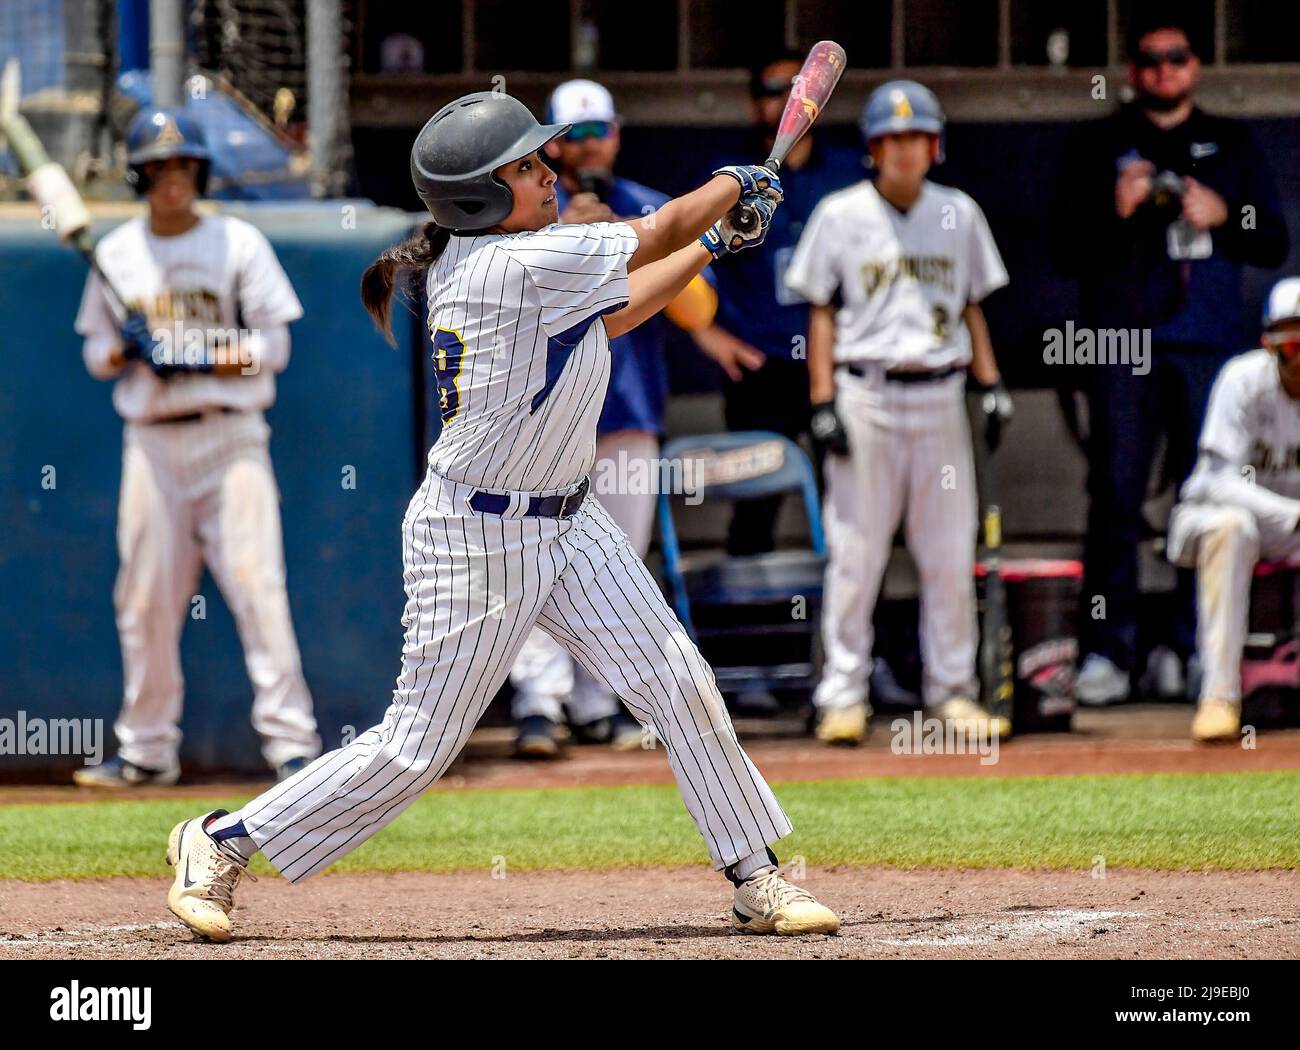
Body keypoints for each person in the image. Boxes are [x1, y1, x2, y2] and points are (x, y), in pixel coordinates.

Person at [162, 91, 840, 941]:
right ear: (480, 197)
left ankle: (755, 876)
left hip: (572, 518)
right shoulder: (510, 265)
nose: (547, 171)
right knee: (416, 749)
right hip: (479, 537)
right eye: (524, 166)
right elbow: (655, 227)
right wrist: (734, 184)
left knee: (679, 681)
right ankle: (222, 841)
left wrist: (713, 240)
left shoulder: (517, 259)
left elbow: (623, 308)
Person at [72, 106, 321, 788]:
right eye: (158, 168)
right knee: (144, 598)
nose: (172, 179)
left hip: (231, 436)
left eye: (182, 166)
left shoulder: (237, 242)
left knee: (257, 587)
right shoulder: (117, 253)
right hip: (151, 446)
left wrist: (199, 354)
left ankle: (292, 749)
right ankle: (147, 750)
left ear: (200, 171)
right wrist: (130, 347)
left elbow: (275, 345)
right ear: (140, 175)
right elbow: (96, 351)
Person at [1052, 10, 1289, 706]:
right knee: (1116, 499)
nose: (1163, 71)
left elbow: (1272, 240)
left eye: (1176, 59)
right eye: (1150, 60)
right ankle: (1108, 652)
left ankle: (1197, 652)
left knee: (1210, 495)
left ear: (1194, 66)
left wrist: (1226, 213)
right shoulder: (1101, 143)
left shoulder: (1231, 141)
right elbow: (1061, 249)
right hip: (1121, 343)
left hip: (1207, 349)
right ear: (1132, 71)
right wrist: (1114, 206)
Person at [785, 80, 1012, 746]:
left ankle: (952, 691)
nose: (905, 150)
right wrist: (822, 400)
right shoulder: (840, 213)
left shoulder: (958, 213)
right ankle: (843, 694)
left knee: (947, 552)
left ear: (934, 146)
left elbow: (972, 304)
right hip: (867, 394)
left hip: (941, 394)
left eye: (917, 138)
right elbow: (820, 310)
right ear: (873, 149)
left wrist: (991, 383)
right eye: (892, 139)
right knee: (857, 555)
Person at [509, 78, 718, 758]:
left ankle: (600, 703)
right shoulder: (532, 210)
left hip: (626, 413)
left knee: (616, 566)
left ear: (617, 134)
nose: (588, 145)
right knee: (534, 562)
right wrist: (573, 239)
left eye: (599, 131)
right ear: (553, 144)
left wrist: (629, 245)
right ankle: (541, 704)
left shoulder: (650, 210)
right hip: (547, 416)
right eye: (574, 134)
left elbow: (699, 313)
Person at [691, 48, 864, 557]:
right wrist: (707, 334)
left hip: (834, 364)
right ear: (753, 106)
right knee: (756, 506)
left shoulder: (850, 173)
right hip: (759, 367)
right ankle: (754, 636)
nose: (789, 98)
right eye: (774, 90)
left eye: (798, 86)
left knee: (852, 503)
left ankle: (836, 632)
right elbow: (685, 257)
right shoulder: (728, 179)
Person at [1167, 278, 1300, 742]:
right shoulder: (1241, 380)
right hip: (1210, 513)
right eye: (1294, 346)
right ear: (1271, 346)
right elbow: (1221, 483)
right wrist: (1291, 514)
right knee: (1233, 527)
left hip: (1289, 524)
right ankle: (1219, 696)